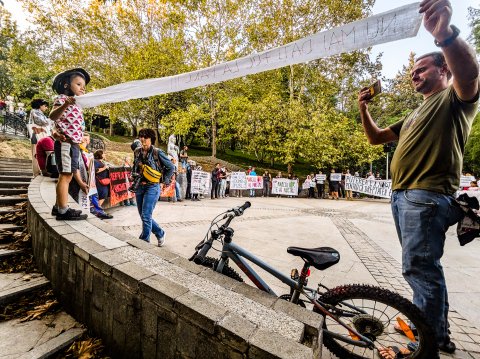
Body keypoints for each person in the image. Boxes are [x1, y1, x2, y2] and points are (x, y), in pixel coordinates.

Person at [358, 1, 479, 355]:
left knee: (420, 269)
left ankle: (430, 341)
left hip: (425, 196)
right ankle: (429, 326)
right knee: (420, 268)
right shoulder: (416, 111)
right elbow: (377, 138)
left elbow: (470, 74)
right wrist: (364, 109)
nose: (414, 74)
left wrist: (444, 35)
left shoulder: (455, 99)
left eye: (422, 68)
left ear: (444, 70)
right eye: (413, 70)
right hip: (404, 197)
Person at [49, 68, 90, 220]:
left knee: (69, 174)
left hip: (74, 144)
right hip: (65, 143)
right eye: (78, 84)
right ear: (66, 85)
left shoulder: (78, 104)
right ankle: (63, 211)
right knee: (65, 175)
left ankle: (58, 205)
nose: (82, 88)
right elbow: (53, 116)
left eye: (83, 86)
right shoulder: (61, 99)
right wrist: (65, 104)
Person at [131, 128, 174, 246]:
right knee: (144, 215)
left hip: (152, 187)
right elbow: (135, 166)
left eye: (146, 137)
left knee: (145, 215)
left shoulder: (157, 152)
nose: (143, 139)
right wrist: (133, 176)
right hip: (140, 185)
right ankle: (160, 233)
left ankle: (144, 241)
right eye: (141, 136)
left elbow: (171, 167)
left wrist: (164, 181)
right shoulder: (137, 151)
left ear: (151, 139)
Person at [29, 99, 51, 176]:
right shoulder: (34, 111)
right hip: (36, 135)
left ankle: (41, 171)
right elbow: (41, 122)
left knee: (40, 154)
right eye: (45, 106)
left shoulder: (39, 112)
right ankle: (36, 173)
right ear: (40, 105)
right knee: (36, 155)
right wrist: (51, 119)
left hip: (41, 135)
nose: (46, 108)